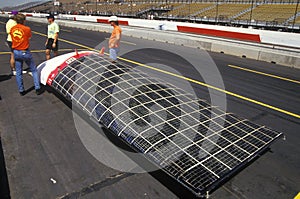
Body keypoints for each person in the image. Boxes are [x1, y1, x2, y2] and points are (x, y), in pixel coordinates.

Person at [10, 14, 41, 96]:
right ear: (23, 20)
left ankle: (21, 90)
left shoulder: (12, 29)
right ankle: (37, 88)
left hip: (16, 51)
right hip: (24, 51)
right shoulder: (27, 29)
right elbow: (29, 37)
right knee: (34, 70)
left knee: (18, 72)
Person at [6, 10, 18, 75]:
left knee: (12, 54)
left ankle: (13, 69)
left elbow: (8, 31)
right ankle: (16, 69)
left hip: (9, 39)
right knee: (15, 55)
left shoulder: (8, 22)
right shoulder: (14, 23)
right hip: (14, 40)